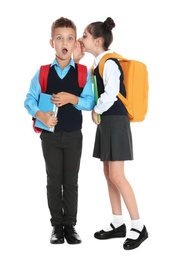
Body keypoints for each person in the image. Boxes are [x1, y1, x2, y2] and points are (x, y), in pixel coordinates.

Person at [75, 17, 148, 250]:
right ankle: (118, 223)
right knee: (108, 173)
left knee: (117, 175)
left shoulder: (109, 62)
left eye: (84, 36)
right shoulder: (98, 63)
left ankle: (138, 225)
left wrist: (97, 109)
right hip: (108, 121)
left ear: (97, 41)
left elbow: (113, 91)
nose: (81, 39)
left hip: (116, 121)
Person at [24, 17, 95, 245]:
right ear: (52, 43)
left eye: (70, 38)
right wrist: (41, 115)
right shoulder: (43, 73)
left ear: (75, 44)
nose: (65, 42)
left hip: (74, 135)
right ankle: (56, 225)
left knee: (71, 181)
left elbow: (89, 101)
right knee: (54, 180)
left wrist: (73, 98)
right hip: (50, 137)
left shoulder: (83, 72)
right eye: (59, 38)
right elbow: (28, 100)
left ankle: (70, 226)